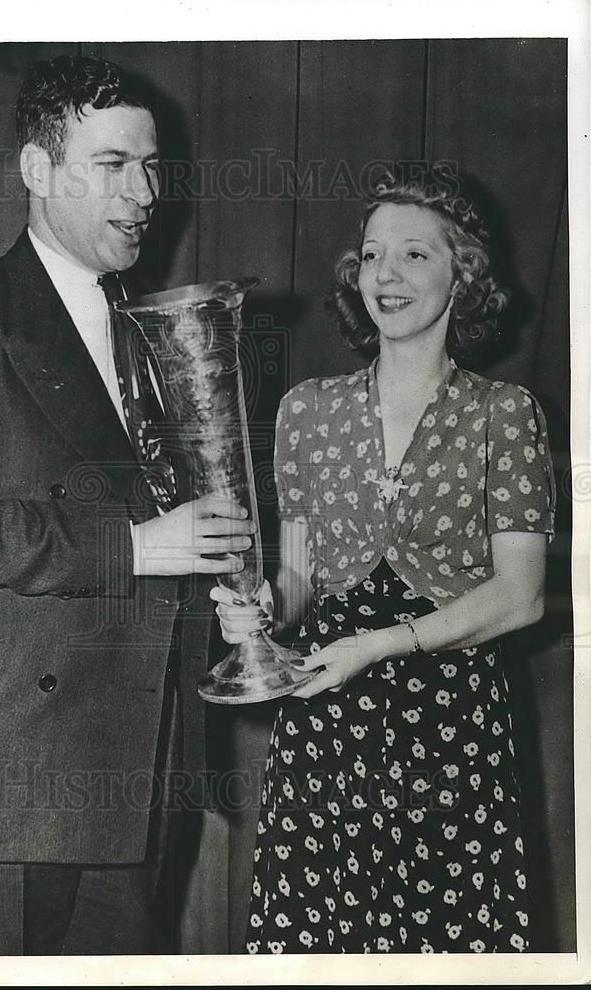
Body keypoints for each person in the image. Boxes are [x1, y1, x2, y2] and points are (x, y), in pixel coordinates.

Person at [0, 54, 255, 956]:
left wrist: (224, 598)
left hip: (131, 773)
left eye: (153, 166)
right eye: (113, 164)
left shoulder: (153, 332)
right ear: (37, 172)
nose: (144, 191)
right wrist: (138, 547)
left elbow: (167, 531)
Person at [213, 169, 555, 953]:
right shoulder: (305, 409)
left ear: (460, 275)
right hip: (327, 718)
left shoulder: (504, 414)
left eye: (412, 255)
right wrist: (259, 612)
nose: (385, 276)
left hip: (450, 716)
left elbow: (521, 595)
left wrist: (377, 645)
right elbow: (297, 582)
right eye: (371, 256)